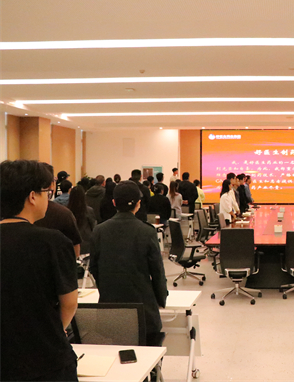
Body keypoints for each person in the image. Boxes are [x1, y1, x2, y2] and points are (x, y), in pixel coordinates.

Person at [1, 160, 78, 381]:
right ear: (32, 196)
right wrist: (54, 328)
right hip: (46, 357)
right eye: (47, 193)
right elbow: (69, 303)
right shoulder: (53, 242)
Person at [89, 181, 168, 346]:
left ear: (114, 202)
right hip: (143, 309)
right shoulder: (147, 231)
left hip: (110, 309)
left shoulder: (99, 230)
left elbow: (94, 267)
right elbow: (157, 271)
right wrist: (161, 299)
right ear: (138, 204)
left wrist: (106, 290)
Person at [68, 185, 97, 257]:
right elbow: (93, 226)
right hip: (86, 244)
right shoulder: (88, 210)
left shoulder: (67, 211)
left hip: (70, 244)